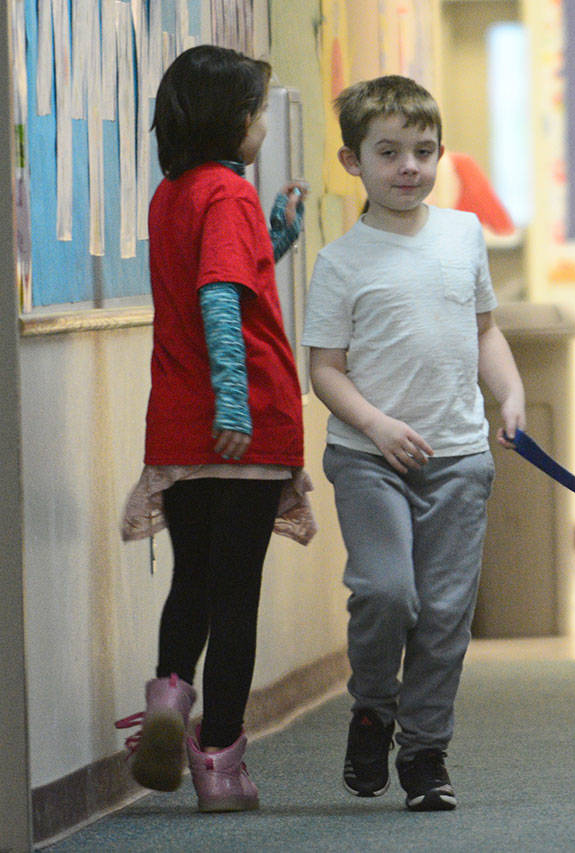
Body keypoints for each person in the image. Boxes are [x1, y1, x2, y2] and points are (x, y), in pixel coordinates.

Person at [301, 75, 526, 813]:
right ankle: (373, 705)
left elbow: (484, 327)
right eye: (389, 151)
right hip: (371, 460)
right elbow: (324, 370)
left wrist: (512, 393)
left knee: (446, 612)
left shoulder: (462, 234)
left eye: (424, 151)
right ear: (352, 161)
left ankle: (425, 753)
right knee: (386, 590)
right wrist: (376, 424)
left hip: (459, 459)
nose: (409, 166)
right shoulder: (340, 262)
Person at [116, 44, 315, 813]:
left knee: (192, 580)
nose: (264, 125)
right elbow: (222, 305)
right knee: (238, 597)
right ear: (233, 120)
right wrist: (235, 403)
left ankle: (170, 697)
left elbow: (225, 277)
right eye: (259, 112)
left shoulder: (174, 195)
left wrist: (279, 236)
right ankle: (221, 763)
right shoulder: (226, 193)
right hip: (243, 428)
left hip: (178, 428)